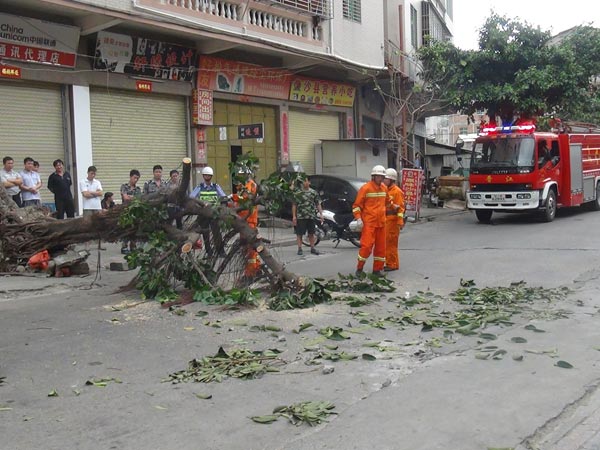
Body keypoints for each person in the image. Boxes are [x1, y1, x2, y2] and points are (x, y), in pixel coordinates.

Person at [352, 165, 389, 276]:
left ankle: (377, 270)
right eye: (378, 176)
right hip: (369, 223)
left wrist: (394, 206)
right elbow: (357, 205)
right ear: (373, 176)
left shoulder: (384, 188)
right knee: (366, 247)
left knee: (381, 249)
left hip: (381, 223)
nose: (381, 179)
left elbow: (387, 202)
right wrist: (358, 218)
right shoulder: (366, 188)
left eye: (382, 177)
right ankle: (359, 269)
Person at [190, 166, 227, 255]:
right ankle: (208, 251)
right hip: (203, 213)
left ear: (211, 176)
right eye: (205, 175)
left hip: (214, 213)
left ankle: (220, 251)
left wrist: (222, 207)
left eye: (208, 175)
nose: (207, 177)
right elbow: (191, 197)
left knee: (217, 233)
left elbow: (223, 197)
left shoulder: (216, 186)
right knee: (205, 232)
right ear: (203, 176)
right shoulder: (199, 187)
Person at [232, 167, 260, 278]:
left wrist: (233, 197)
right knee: (247, 248)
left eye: (241, 174)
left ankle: (251, 273)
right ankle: (255, 269)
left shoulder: (250, 185)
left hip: (249, 220)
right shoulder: (243, 185)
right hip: (243, 219)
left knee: (250, 249)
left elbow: (244, 199)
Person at [292, 176, 323, 256]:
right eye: (303, 181)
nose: (305, 183)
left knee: (311, 233)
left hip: (311, 216)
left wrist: (321, 214)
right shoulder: (298, 193)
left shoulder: (313, 193)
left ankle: (312, 248)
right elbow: (294, 205)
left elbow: (318, 203)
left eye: (306, 181)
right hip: (301, 216)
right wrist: (294, 216)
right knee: (299, 233)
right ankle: (299, 248)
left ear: (309, 182)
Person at [383, 168, 405, 272]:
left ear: (391, 180)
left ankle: (392, 264)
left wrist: (400, 222)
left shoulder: (397, 192)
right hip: (386, 219)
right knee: (386, 243)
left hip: (393, 220)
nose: (384, 180)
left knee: (391, 243)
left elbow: (400, 209)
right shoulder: (385, 190)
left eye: (386, 179)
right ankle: (389, 262)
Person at [120, 169, 141, 254]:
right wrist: (133, 198)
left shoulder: (138, 189)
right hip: (126, 211)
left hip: (135, 211)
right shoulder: (124, 186)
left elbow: (139, 199)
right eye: (134, 178)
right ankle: (124, 247)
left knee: (135, 229)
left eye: (137, 178)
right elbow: (125, 198)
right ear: (130, 177)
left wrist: (131, 197)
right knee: (126, 229)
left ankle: (133, 246)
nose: (135, 180)